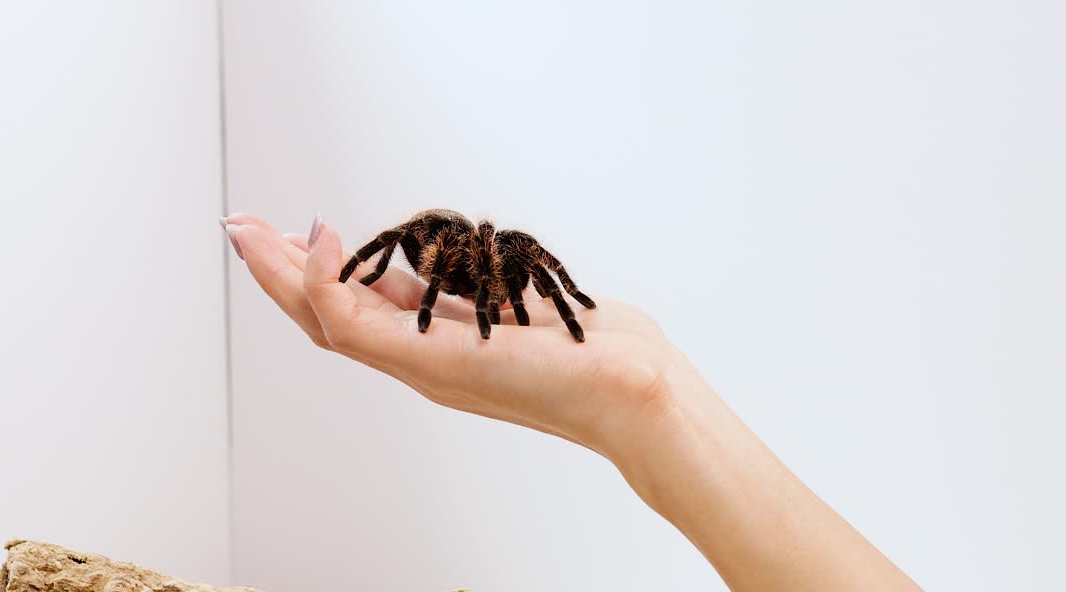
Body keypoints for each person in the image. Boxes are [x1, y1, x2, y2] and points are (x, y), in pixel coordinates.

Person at [221, 212, 921, 591]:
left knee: (510, 246)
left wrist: (589, 323)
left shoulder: (509, 255)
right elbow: (420, 248)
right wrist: (371, 276)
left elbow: (528, 262)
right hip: (442, 251)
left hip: (483, 258)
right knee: (434, 240)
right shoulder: (442, 248)